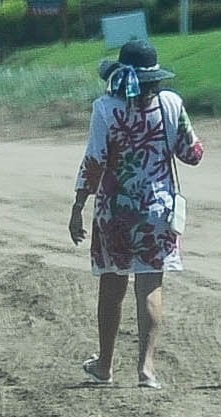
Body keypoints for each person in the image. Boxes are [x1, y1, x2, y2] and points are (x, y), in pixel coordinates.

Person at [72, 44, 198, 389]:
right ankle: (146, 369)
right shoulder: (171, 104)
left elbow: (94, 161)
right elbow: (193, 153)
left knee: (111, 287)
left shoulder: (105, 109)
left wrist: (78, 205)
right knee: (150, 285)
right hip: (158, 210)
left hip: (114, 210)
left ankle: (105, 365)